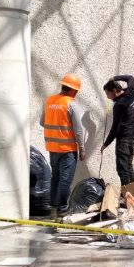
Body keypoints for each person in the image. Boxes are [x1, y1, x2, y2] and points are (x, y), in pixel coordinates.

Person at [40, 73, 85, 217]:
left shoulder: (49, 101)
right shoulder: (71, 104)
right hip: (67, 150)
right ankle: (62, 209)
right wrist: (82, 150)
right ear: (73, 90)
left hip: (53, 148)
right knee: (65, 180)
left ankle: (53, 206)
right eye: (76, 91)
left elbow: (42, 122)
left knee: (56, 178)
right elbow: (78, 130)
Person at [101, 75, 134, 185]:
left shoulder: (119, 105)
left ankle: (127, 196)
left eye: (108, 94)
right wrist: (114, 78)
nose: (108, 97)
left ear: (114, 91)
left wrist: (106, 144)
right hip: (133, 138)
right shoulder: (131, 92)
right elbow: (130, 78)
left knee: (122, 170)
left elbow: (115, 129)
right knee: (128, 167)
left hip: (124, 141)